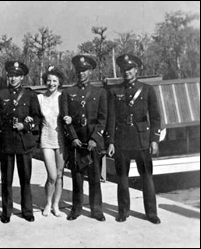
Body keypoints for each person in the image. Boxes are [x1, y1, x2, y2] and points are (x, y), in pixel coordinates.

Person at [107, 54, 162, 224]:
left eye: (130, 69)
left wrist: (154, 139)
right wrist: (110, 141)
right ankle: (123, 211)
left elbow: (155, 117)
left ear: (136, 70)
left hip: (142, 140)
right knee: (122, 177)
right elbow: (111, 118)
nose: (127, 72)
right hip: (122, 139)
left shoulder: (147, 90)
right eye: (124, 69)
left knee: (147, 177)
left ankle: (151, 213)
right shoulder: (114, 91)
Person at [0, 61, 41, 223]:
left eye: (16, 76)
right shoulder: (0, 95)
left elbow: (37, 117)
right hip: (6, 142)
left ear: (22, 77)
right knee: (6, 180)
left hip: (23, 142)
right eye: (10, 75)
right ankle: (6, 212)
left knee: (25, 179)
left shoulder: (30, 95)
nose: (13, 78)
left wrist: (25, 125)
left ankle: (27, 210)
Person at [61, 55, 107, 222]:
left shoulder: (100, 92)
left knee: (95, 177)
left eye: (85, 70)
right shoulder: (68, 92)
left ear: (90, 71)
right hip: (77, 141)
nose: (81, 73)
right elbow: (65, 118)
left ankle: (96, 210)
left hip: (92, 141)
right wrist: (72, 137)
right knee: (77, 177)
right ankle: (76, 208)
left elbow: (103, 119)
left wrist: (95, 138)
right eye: (79, 70)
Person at [37, 66, 66, 217]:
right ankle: (47, 203)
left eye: (54, 80)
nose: (51, 83)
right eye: (48, 80)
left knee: (60, 175)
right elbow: (35, 117)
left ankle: (56, 205)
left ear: (59, 82)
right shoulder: (40, 98)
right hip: (46, 139)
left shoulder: (63, 97)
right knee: (52, 175)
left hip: (61, 140)